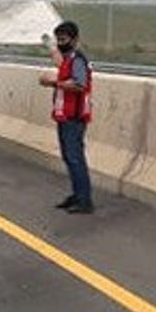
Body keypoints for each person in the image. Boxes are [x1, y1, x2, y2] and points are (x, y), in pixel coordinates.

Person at [39, 21, 94, 214]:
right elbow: (60, 64)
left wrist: (53, 83)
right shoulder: (68, 59)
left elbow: (79, 84)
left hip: (74, 118)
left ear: (75, 40)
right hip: (65, 116)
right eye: (59, 40)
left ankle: (84, 200)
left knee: (75, 157)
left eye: (64, 39)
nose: (61, 43)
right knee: (69, 157)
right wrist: (51, 47)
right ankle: (78, 195)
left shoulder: (78, 60)